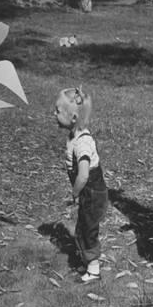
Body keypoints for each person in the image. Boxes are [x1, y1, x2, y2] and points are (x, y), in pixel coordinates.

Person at [54, 87, 108, 282]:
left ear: (74, 117)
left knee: (87, 229)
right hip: (89, 193)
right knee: (83, 227)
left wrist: (74, 193)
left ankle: (93, 270)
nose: (54, 113)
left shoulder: (82, 143)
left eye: (58, 111)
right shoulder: (73, 137)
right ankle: (87, 261)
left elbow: (84, 175)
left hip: (92, 193)